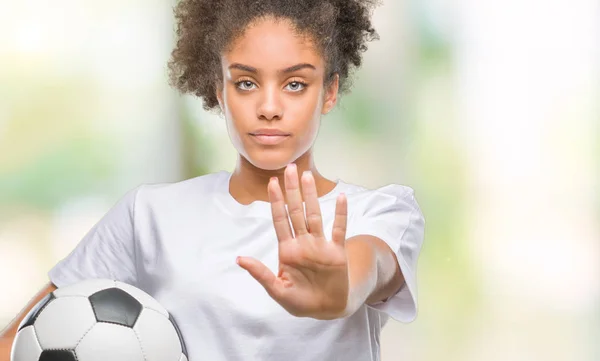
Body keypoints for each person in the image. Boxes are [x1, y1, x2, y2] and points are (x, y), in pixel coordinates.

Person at [0, 0, 426, 360]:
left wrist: (344, 289)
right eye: (245, 83)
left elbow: (370, 266)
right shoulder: (149, 214)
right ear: (219, 92)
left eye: (296, 83)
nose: (269, 107)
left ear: (329, 92)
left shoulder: (381, 210)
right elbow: (23, 340)